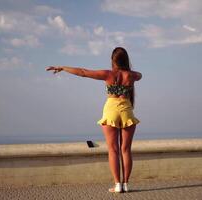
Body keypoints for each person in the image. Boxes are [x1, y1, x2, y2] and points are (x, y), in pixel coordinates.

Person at [46, 47, 142, 193]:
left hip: (110, 112)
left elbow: (83, 72)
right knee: (126, 150)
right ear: (126, 60)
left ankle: (117, 185)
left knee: (113, 150)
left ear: (112, 60)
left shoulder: (107, 74)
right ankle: (126, 184)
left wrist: (63, 68)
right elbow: (140, 75)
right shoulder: (133, 75)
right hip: (126, 112)